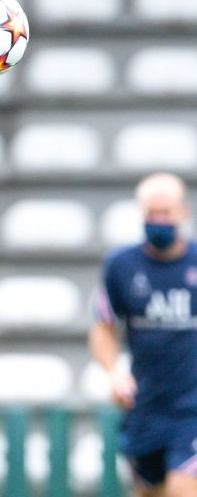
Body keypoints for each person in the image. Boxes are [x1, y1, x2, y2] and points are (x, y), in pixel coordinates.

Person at [90, 172, 197, 497]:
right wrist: (114, 373)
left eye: (166, 213)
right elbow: (103, 328)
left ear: (183, 213)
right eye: (152, 214)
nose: (159, 220)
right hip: (146, 407)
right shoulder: (121, 266)